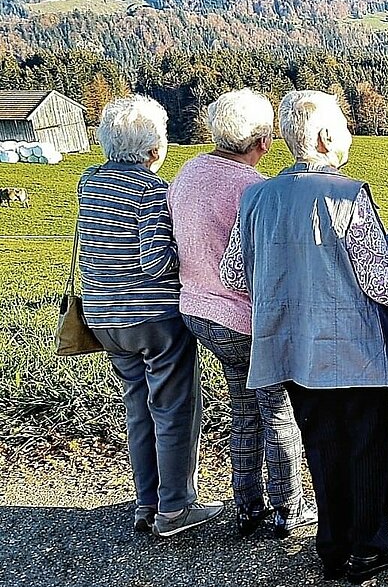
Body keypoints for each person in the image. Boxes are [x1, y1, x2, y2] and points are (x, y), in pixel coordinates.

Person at [219, 90, 388, 584]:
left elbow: (235, 274)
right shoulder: (347, 195)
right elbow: (384, 284)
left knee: (322, 447)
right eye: (344, 125)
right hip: (355, 350)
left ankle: (332, 545)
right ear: (327, 137)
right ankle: (371, 546)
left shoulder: (256, 197)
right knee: (368, 448)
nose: (348, 133)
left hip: (290, 347)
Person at [167, 88, 316, 538]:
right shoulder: (253, 189)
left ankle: (246, 505)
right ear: (265, 141)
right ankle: (288, 509)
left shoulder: (188, 172)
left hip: (197, 310)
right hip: (243, 318)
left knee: (243, 409)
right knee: (277, 412)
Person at [77, 95, 223, 537]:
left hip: (104, 316)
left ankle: (147, 502)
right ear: (155, 149)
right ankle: (176, 509)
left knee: (138, 406)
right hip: (154, 317)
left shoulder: (89, 180)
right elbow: (156, 262)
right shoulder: (150, 190)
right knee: (174, 408)